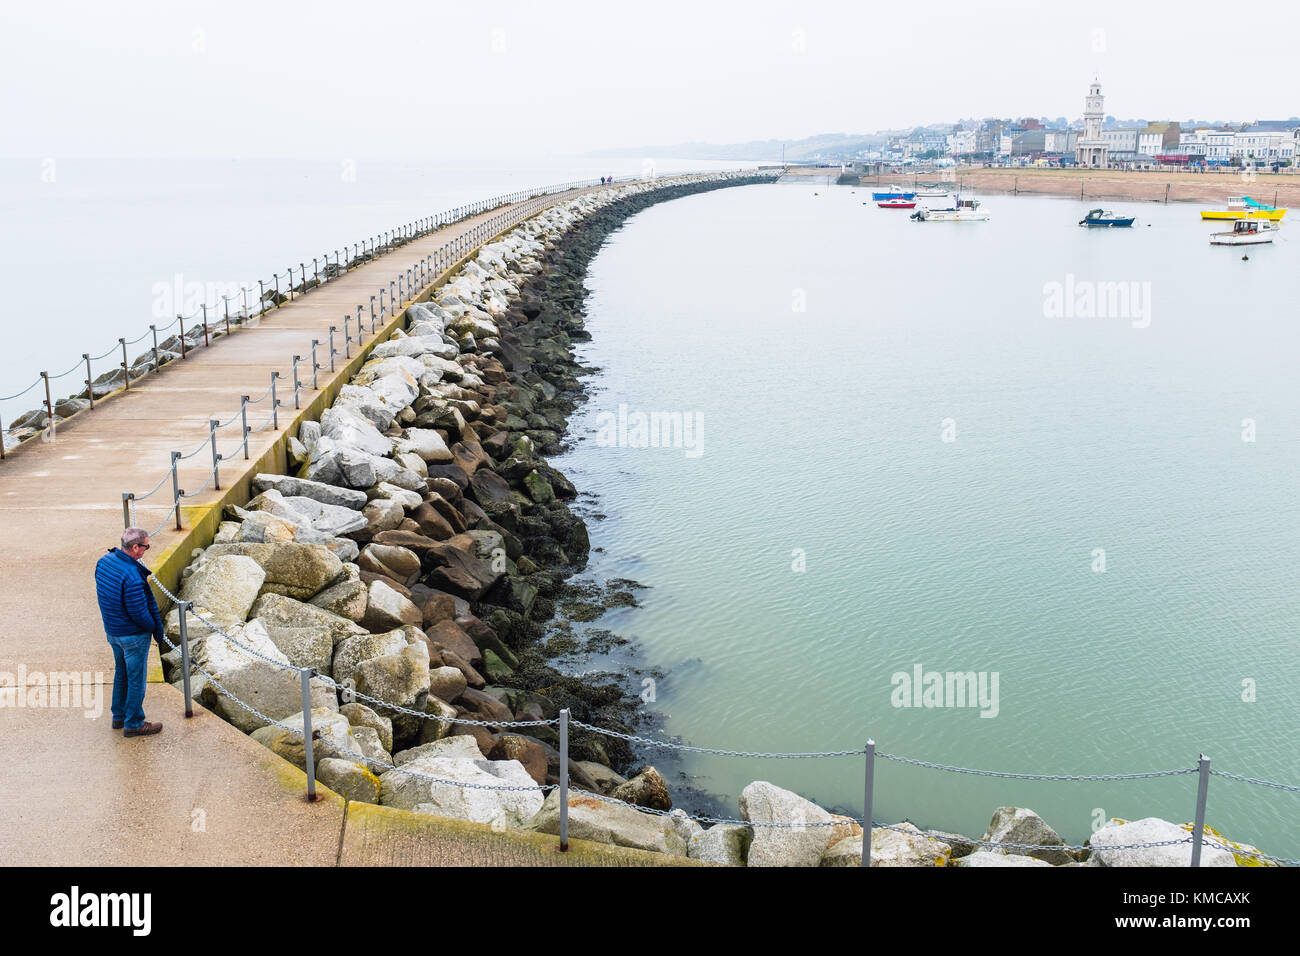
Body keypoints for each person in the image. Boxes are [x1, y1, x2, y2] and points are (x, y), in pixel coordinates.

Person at [94, 527, 165, 737]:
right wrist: (153, 628)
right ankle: (133, 722)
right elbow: (139, 613)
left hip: (113, 631)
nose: (146, 550)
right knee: (136, 678)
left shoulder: (104, 562)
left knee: (121, 672)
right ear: (135, 547)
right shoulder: (132, 576)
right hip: (132, 636)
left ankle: (119, 716)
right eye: (146, 546)